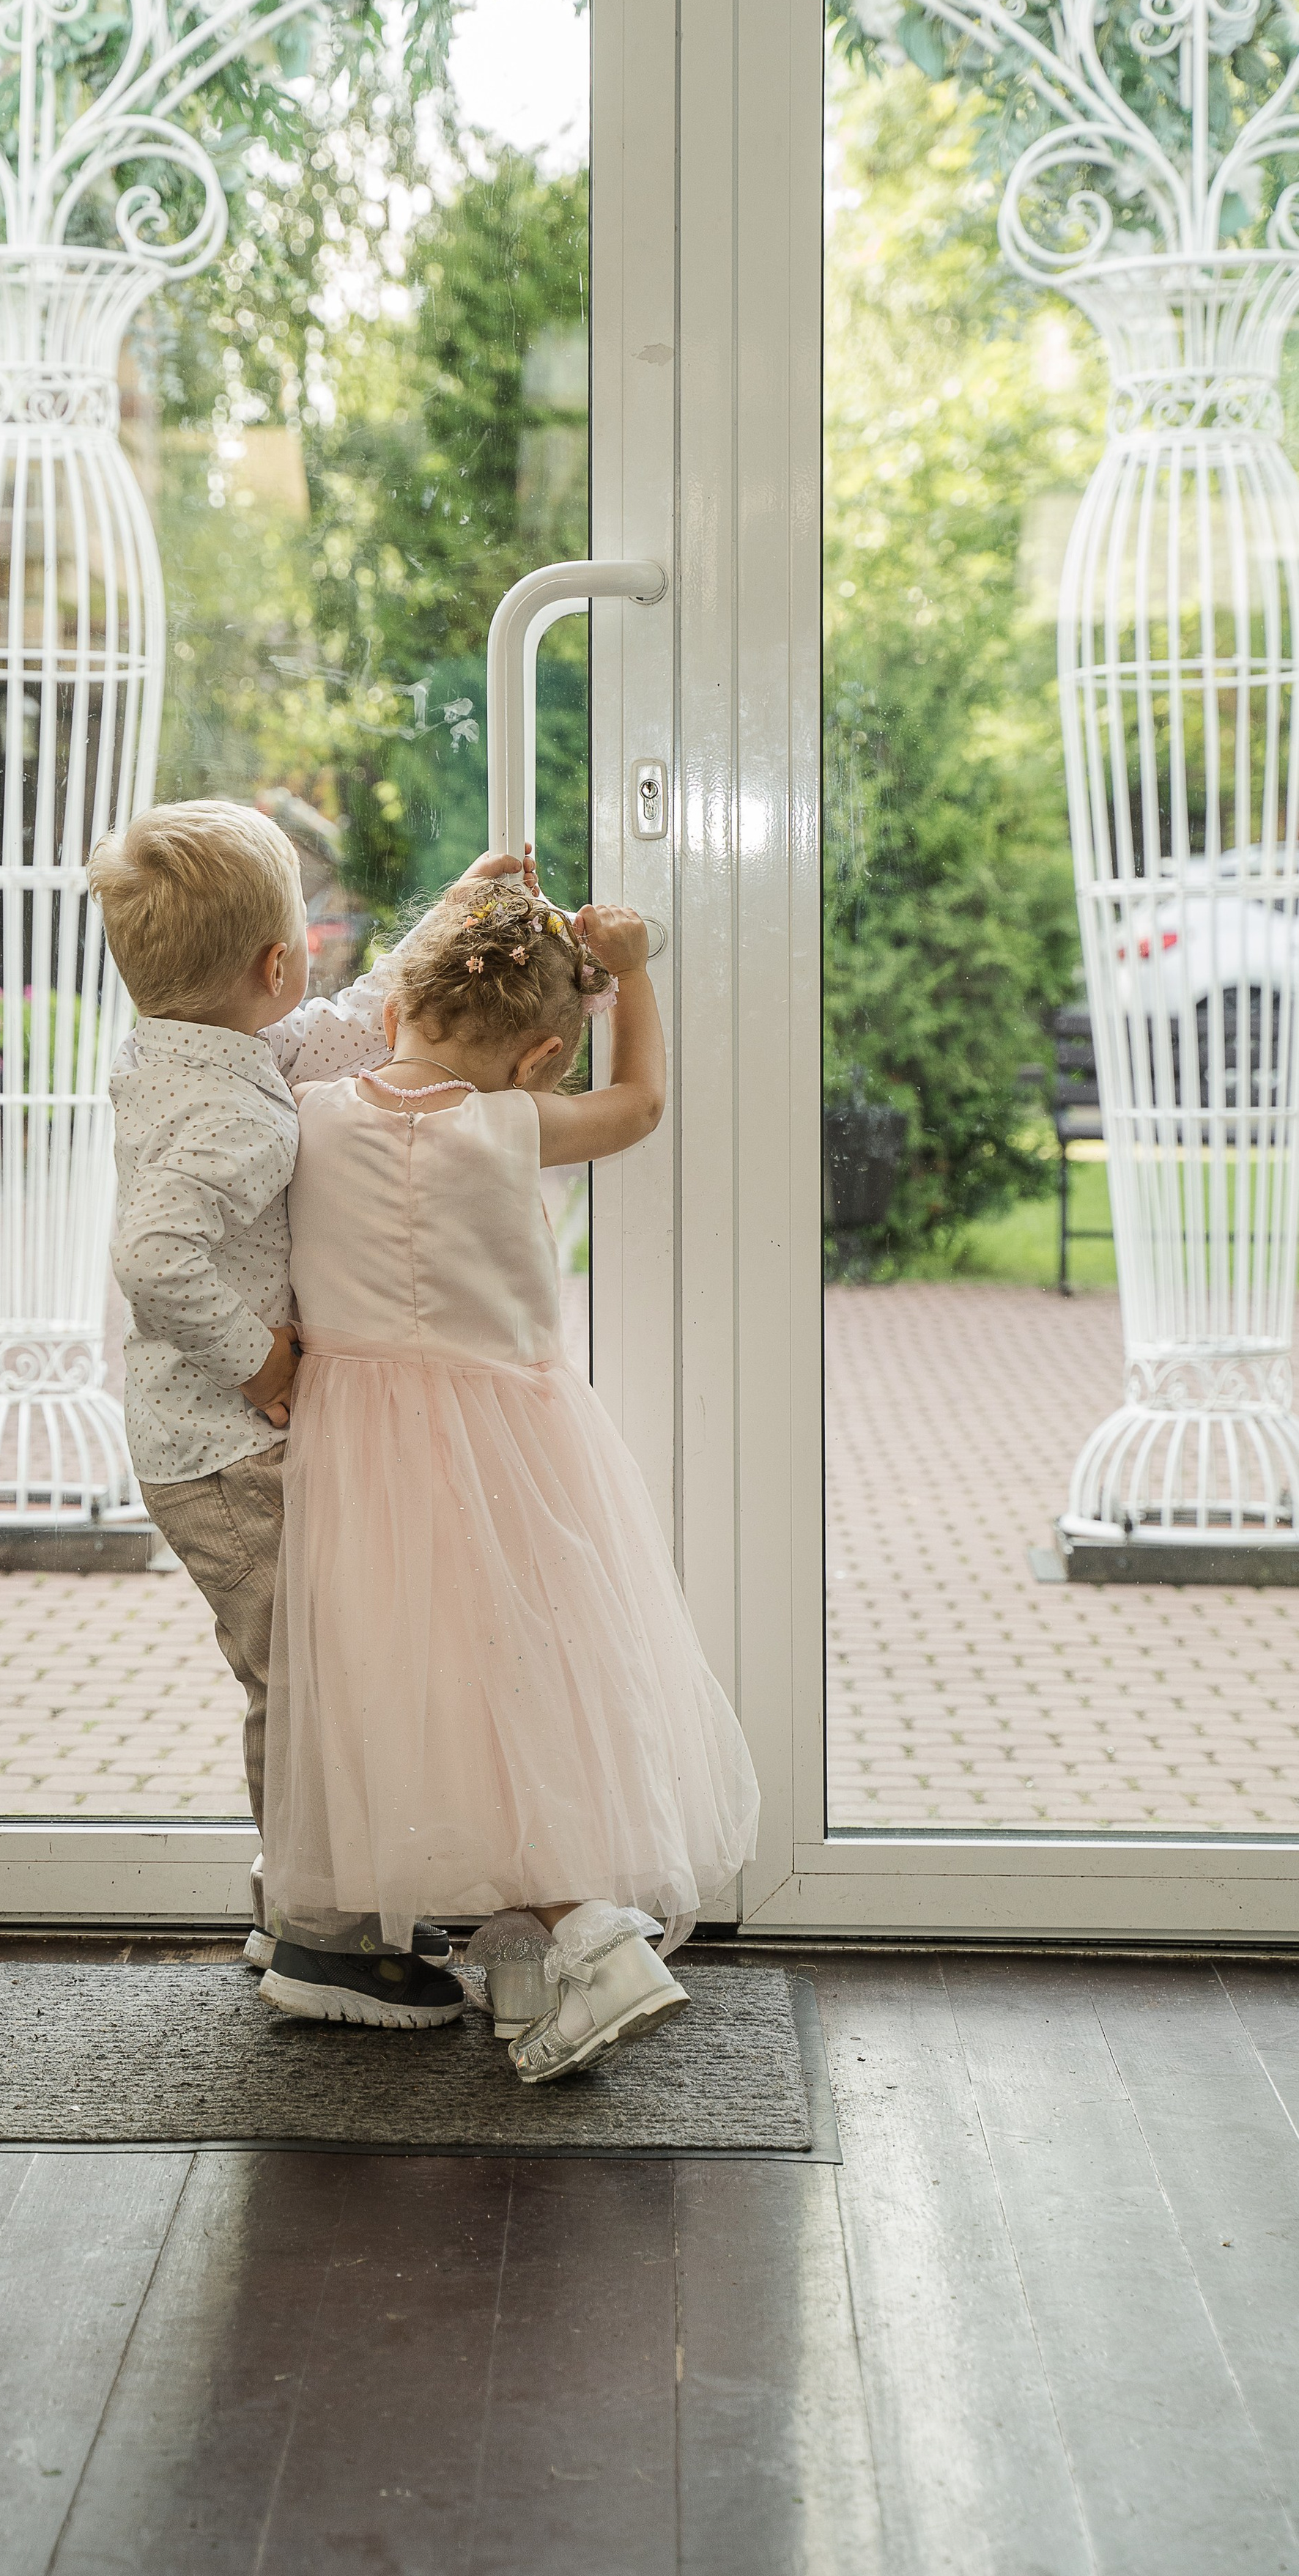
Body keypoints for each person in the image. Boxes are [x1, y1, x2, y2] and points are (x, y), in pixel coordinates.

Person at [257, 874, 760, 2079]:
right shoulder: (519, 1125)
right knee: (527, 1689)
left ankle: (575, 1944)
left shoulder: (313, 1112)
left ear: (394, 1012)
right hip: (519, 1454)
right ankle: (578, 1942)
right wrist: (632, 968)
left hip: (365, 1460)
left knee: (420, 1700)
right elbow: (637, 1106)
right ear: (541, 1055)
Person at [88, 799, 528, 2012]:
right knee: (306, 1680)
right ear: (273, 965)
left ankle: (299, 1906)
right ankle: (324, 1942)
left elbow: (338, 1030)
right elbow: (154, 1256)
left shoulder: (192, 1045)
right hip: (223, 1448)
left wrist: (443, 924)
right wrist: (260, 1360)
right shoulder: (232, 1105)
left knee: (306, 1666)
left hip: (210, 1445)